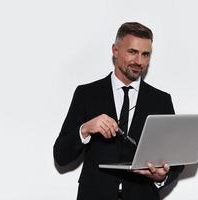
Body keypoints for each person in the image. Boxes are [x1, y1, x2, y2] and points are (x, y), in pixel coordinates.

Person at [53, 22, 184, 200]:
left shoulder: (161, 101)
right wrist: (85, 129)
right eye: (132, 52)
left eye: (145, 54)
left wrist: (161, 177)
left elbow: (176, 160)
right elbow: (61, 155)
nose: (139, 61)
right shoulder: (87, 94)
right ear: (115, 51)